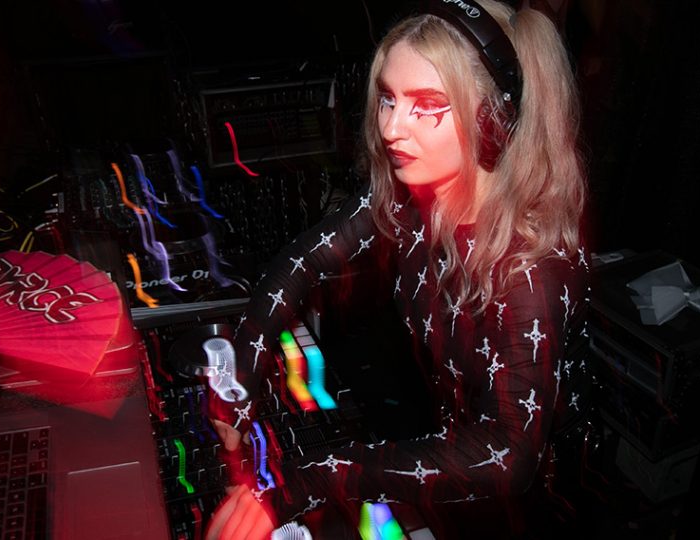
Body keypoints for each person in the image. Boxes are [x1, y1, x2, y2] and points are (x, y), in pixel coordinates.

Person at [206, 1, 591, 537]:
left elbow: (508, 456)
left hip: (532, 511)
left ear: (492, 121)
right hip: (452, 464)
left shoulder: (532, 270)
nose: (390, 127)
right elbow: (304, 261)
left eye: (426, 106)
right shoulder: (412, 197)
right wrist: (238, 378)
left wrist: (310, 479)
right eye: (388, 99)